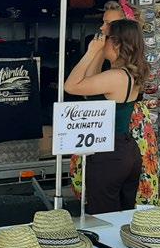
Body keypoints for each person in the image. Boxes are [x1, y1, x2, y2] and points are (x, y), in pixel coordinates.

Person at [64, 19, 151, 213]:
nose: (102, 41)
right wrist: (99, 53)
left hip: (109, 154)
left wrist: (91, 52)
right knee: (123, 214)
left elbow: (71, 86)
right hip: (125, 149)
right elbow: (89, 82)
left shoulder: (116, 76)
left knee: (104, 215)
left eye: (106, 38)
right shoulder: (125, 73)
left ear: (117, 43)